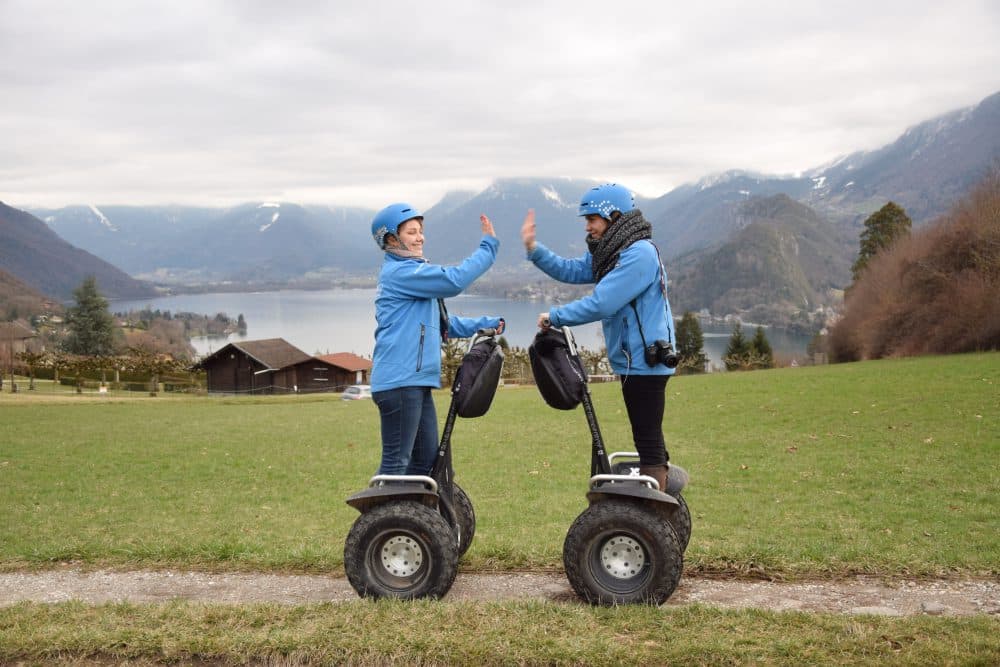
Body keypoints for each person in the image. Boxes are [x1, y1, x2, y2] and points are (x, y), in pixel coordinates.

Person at [520, 183, 676, 491]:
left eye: (592, 219)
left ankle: (654, 506)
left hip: (646, 361)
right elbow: (571, 270)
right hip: (635, 361)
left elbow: (603, 302)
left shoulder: (639, 255)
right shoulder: (615, 253)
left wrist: (555, 316)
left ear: (614, 216)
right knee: (646, 433)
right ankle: (655, 495)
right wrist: (533, 250)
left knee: (647, 436)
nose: (588, 226)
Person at [370, 202, 504, 476]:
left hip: (415, 381)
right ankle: (385, 519)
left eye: (420, 231)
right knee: (397, 464)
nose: (421, 237)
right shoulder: (402, 273)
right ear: (392, 239)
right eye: (412, 232)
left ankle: (415, 517)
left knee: (426, 464)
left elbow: (443, 325)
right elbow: (454, 280)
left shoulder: (412, 274)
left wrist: (485, 324)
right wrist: (487, 247)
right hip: (400, 381)